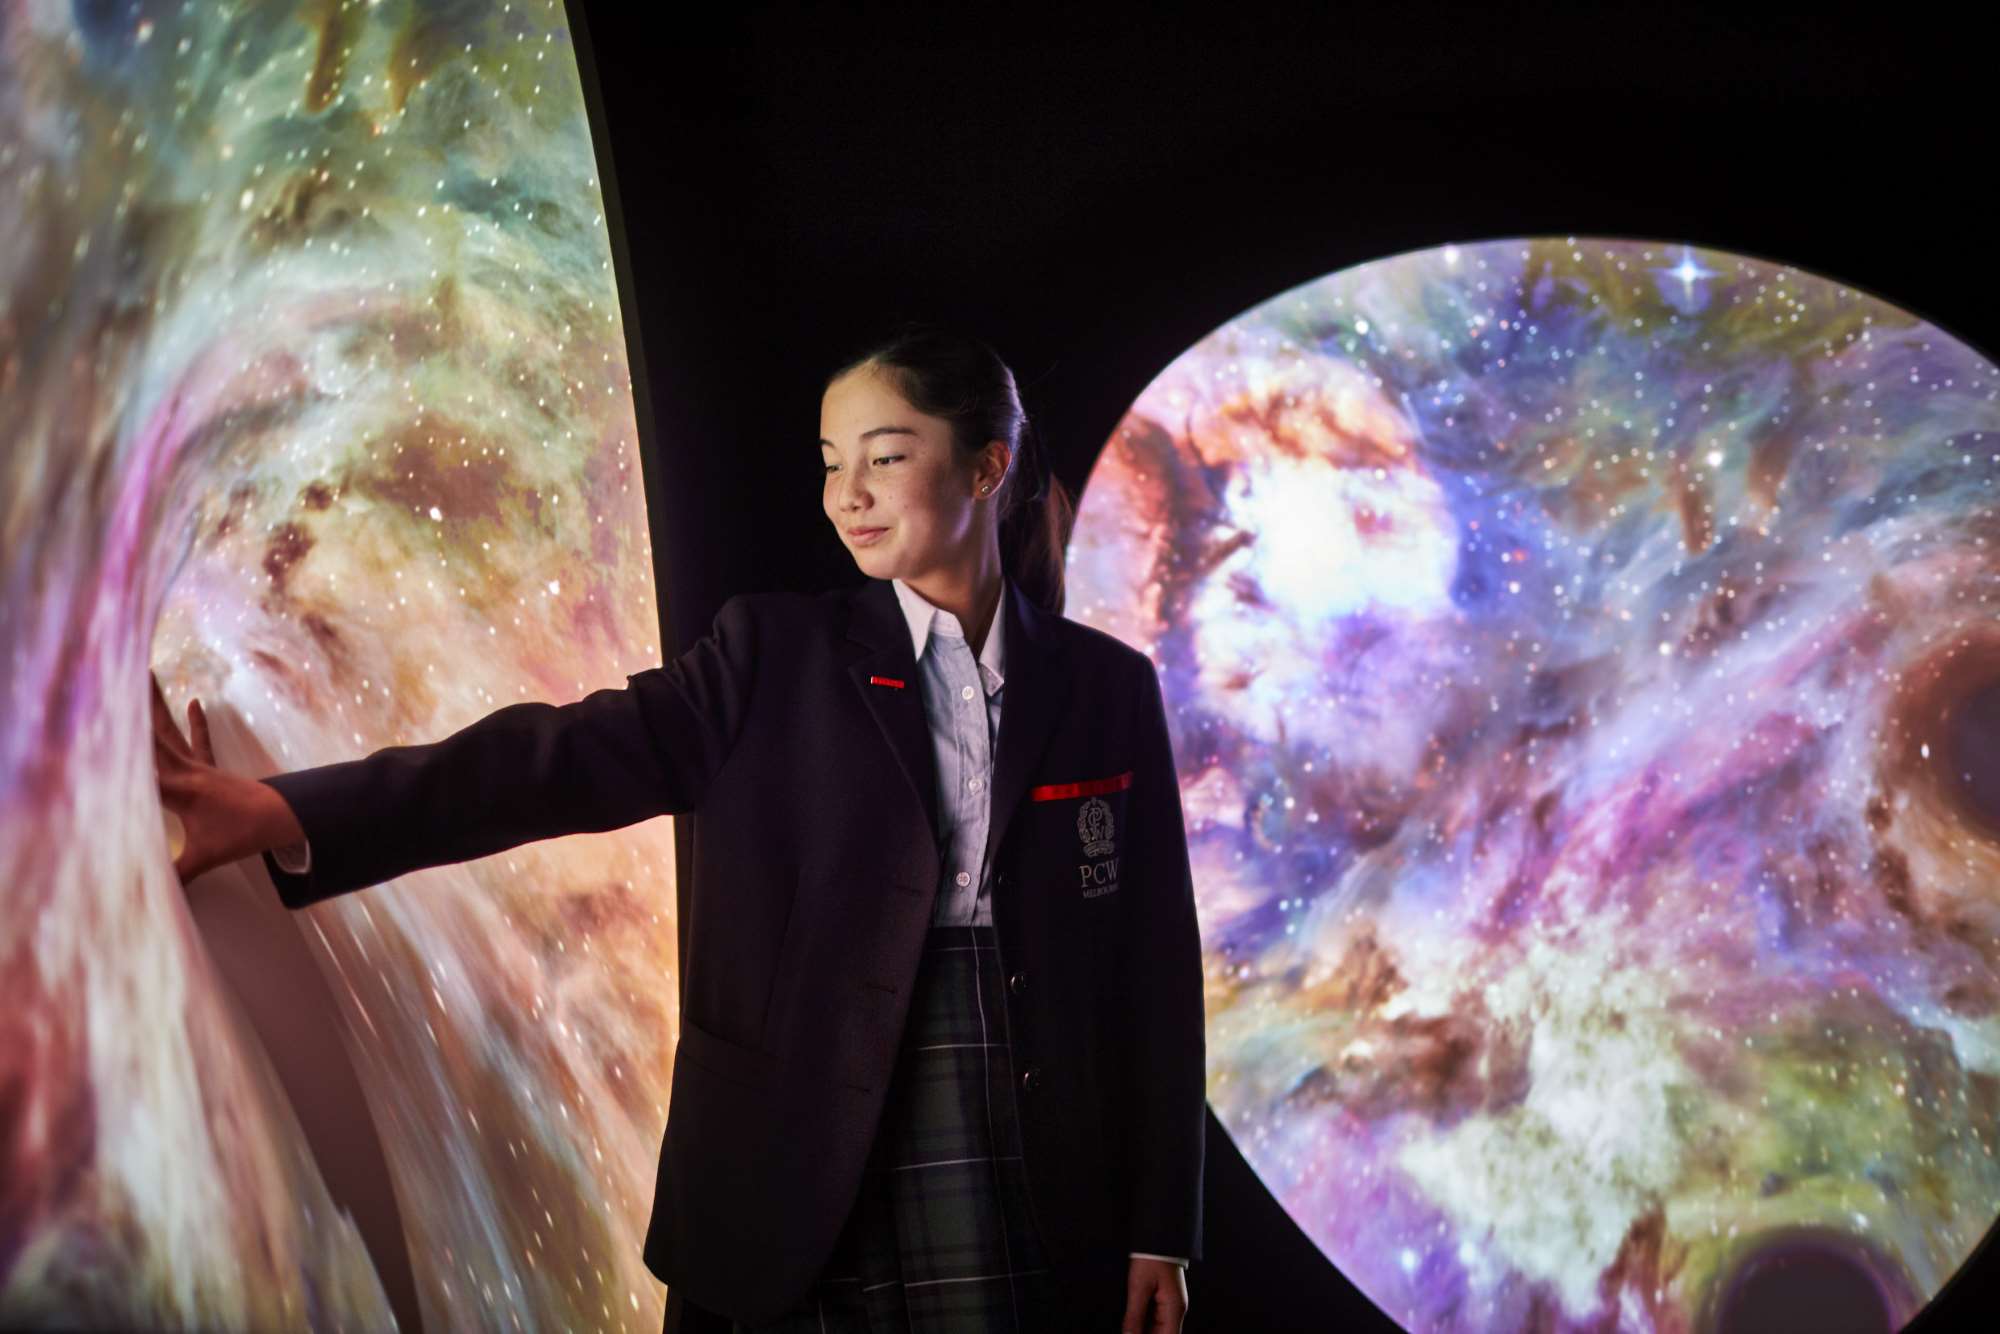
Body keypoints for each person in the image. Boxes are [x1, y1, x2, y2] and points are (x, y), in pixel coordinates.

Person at [152, 320, 1206, 1333]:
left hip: (1036, 1140)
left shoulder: (1106, 689)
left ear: (986, 468)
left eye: (885, 457)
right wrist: (285, 809)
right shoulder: (770, 653)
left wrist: (1162, 1226)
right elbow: (546, 762)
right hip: (802, 1133)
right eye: (832, 461)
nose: (848, 495)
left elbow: (1155, 971)